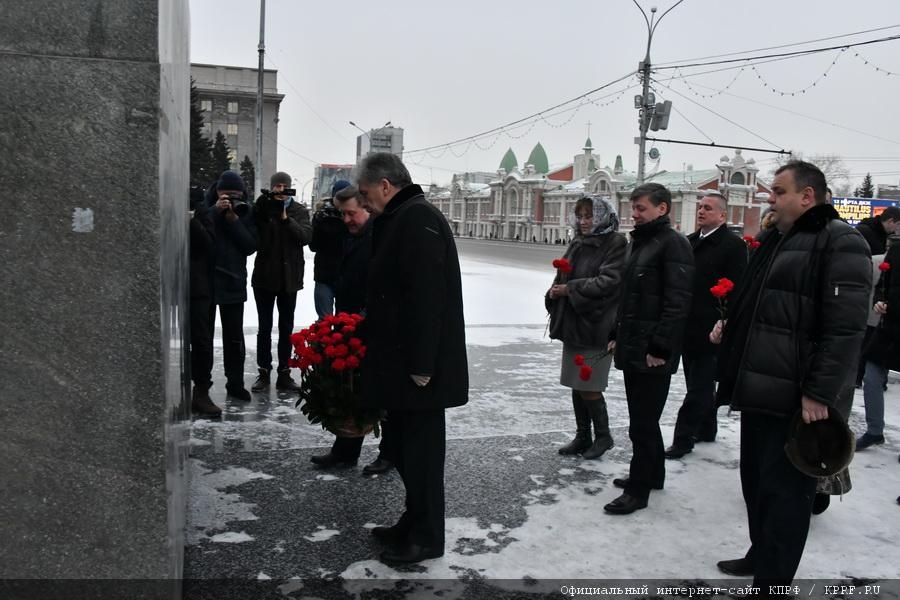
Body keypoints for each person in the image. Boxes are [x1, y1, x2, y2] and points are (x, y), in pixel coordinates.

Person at [712, 161, 871, 588]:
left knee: (786, 496)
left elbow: (845, 330)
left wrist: (819, 392)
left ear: (807, 196)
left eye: (779, 191)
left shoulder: (840, 241)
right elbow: (762, 304)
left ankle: (773, 583)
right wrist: (731, 327)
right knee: (756, 485)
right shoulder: (776, 239)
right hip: (759, 386)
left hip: (797, 397)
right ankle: (760, 555)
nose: (770, 198)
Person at [357, 153, 468, 564]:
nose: (363, 202)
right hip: (400, 362)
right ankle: (413, 519)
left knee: (421, 456)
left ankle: (427, 537)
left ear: (386, 186)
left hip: (419, 369)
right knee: (404, 449)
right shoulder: (401, 216)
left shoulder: (418, 218)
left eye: (366, 193)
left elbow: (427, 297)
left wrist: (422, 365)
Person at [605, 183, 694, 515]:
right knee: (643, 419)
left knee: (642, 423)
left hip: (653, 352)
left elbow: (677, 301)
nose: (635, 214)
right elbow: (628, 297)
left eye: (641, 208)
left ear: (662, 208)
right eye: (633, 208)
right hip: (634, 345)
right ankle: (653, 474)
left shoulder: (674, 244)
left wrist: (660, 346)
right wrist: (615, 332)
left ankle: (638, 490)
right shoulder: (640, 242)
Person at [309, 185, 393, 475]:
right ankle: (345, 451)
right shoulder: (352, 233)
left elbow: (383, 284)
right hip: (351, 322)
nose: (346, 219)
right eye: (341, 214)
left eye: (350, 213)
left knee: (382, 392)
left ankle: (389, 454)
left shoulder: (379, 236)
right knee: (353, 388)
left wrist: (366, 317)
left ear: (366, 208)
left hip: (371, 325)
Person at [665, 193, 747, 459]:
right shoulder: (689, 241)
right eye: (700, 207)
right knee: (697, 383)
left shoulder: (733, 246)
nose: (701, 211)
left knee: (699, 387)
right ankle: (707, 428)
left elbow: (738, 288)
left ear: (722, 215)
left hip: (713, 329)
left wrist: (726, 319)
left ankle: (683, 438)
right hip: (688, 326)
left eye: (708, 208)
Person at [546, 196, 626, 460]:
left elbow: (609, 281)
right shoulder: (578, 242)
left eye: (589, 216)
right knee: (576, 382)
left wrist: (569, 289)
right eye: (580, 216)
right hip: (574, 325)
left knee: (590, 384)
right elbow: (563, 275)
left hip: (597, 325)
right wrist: (554, 291)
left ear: (603, 217)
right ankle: (583, 436)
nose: (583, 221)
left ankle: (603, 436)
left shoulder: (615, 243)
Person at [250, 171, 312, 394]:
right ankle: (264, 371)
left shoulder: (299, 210)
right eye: (277, 186)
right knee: (264, 327)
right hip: (265, 278)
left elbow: (305, 237)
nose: (281, 190)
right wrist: (265, 206)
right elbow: (255, 230)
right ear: (272, 187)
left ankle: (284, 373)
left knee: (286, 327)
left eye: (285, 186)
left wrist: (286, 219)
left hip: (289, 279)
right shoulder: (263, 208)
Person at [205, 170, 258, 402]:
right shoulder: (206, 209)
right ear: (218, 192)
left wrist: (234, 221)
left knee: (234, 337)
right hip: (206, 281)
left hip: (233, 280)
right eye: (227, 195)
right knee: (203, 337)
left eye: (236, 195)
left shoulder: (246, 211)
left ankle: (235, 383)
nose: (231, 200)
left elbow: (250, 246)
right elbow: (197, 236)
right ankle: (202, 386)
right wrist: (215, 212)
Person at [856, 242, 899, 451]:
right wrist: (880, 301)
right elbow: (883, 283)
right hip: (888, 327)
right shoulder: (896, 250)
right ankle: (874, 431)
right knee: (871, 378)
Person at [188, 184, 221, 417]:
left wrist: (191, 220)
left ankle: (201, 390)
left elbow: (208, 243)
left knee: (201, 340)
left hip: (197, 285)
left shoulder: (201, 210)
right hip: (169, 280)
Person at [308, 180, 350, 317]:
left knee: (345, 320)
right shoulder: (322, 216)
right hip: (325, 275)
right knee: (324, 321)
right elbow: (313, 245)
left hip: (346, 276)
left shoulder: (354, 216)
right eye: (340, 197)